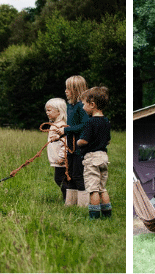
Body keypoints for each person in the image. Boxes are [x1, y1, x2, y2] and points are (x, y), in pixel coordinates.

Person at [76, 86, 112, 219]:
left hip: (92, 158)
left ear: (92, 105)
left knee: (93, 189)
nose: (83, 107)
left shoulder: (90, 122)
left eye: (84, 104)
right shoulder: (106, 121)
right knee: (103, 188)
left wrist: (78, 142)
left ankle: (94, 216)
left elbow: (84, 141)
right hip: (103, 157)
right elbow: (107, 141)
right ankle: (108, 215)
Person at [53, 76, 89, 206]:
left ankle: (83, 204)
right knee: (71, 175)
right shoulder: (70, 106)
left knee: (79, 175)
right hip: (70, 146)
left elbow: (85, 125)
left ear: (75, 90)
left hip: (79, 147)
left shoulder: (81, 107)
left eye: (68, 89)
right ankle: (70, 203)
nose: (65, 91)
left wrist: (66, 131)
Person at [44, 98, 68, 200]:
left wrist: (62, 157)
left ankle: (68, 199)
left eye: (49, 110)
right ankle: (67, 198)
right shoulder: (54, 125)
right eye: (46, 110)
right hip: (58, 160)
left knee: (60, 179)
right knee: (61, 179)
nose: (47, 112)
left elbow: (65, 142)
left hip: (61, 160)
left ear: (59, 111)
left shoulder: (61, 126)